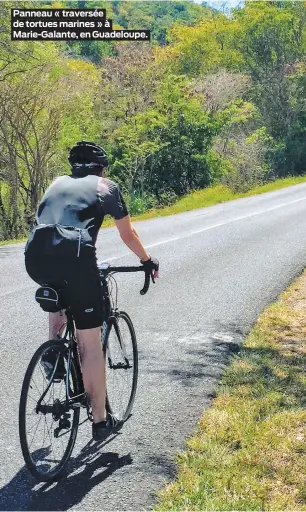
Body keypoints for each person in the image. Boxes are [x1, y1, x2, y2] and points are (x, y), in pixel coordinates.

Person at [24, 141, 159, 441]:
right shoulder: (106, 187)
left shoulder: (56, 183)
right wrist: (147, 261)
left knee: (58, 298)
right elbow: (128, 233)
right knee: (89, 343)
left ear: (74, 166)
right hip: (76, 258)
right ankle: (100, 421)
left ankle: (54, 355)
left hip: (35, 256)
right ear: (102, 168)